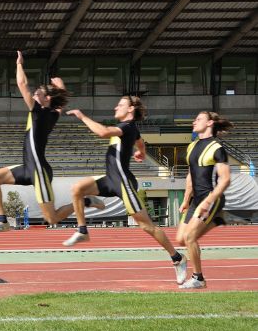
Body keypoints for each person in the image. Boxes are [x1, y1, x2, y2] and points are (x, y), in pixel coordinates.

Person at [62, 96, 187, 283]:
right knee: (77, 189)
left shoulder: (127, 127)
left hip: (123, 182)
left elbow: (103, 132)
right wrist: (141, 152)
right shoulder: (130, 130)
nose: (115, 107)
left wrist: (82, 116)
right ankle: (82, 230)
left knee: (146, 226)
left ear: (130, 110)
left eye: (120, 105)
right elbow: (140, 141)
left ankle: (177, 258)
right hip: (110, 179)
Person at [0, 50, 88, 234]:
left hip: (39, 171)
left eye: (37, 92)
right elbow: (60, 104)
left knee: (52, 218)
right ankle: (2, 220)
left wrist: (19, 64)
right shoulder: (52, 113)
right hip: (28, 167)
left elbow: (21, 83)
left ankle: (84, 201)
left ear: (46, 99)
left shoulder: (39, 112)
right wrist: (60, 87)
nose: (33, 94)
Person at [176, 111, 233, 289]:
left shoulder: (217, 148)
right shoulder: (192, 146)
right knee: (180, 239)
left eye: (198, 119)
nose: (194, 122)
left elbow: (225, 179)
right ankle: (217, 220)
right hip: (196, 200)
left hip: (210, 198)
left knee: (190, 237)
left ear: (209, 123)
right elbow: (190, 177)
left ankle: (198, 278)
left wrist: (209, 201)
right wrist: (186, 200)